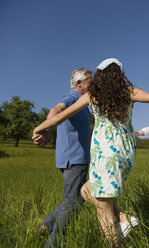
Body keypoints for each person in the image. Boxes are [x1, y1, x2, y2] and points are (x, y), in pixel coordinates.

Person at [33, 58, 149, 247]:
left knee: (104, 214)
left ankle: (118, 233)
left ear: (99, 76)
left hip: (105, 155)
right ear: (120, 75)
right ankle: (125, 219)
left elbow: (60, 116)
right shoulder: (129, 93)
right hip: (125, 153)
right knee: (86, 190)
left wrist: (39, 129)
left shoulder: (92, 96)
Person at [32, 68, 92, 247]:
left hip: (72, 158)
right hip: (75, 158)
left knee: (77, 198)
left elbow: (92, 118)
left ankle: (44, 227)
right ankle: (52, 243)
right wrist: (48, 129)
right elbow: (56, 109)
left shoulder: (83, 104)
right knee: (73, 202)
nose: (93, 83)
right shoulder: (73, 98)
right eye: (90, 80)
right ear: (79, 84)